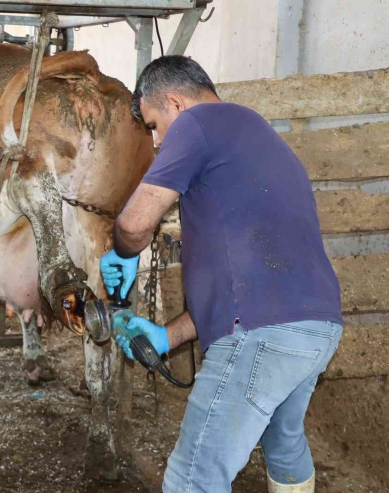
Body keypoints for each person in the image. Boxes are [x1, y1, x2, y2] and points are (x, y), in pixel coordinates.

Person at [100, 55, 343, 493]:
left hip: (264, 336)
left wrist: (122, 251)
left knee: (193, 478)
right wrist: (164, 337)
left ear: (174, 102)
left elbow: (136, 223)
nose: (156, 143)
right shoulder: (256, 134)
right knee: (283, 443)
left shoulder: (197, 124)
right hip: (316, 328)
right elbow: (246, 287)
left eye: (154, 125)